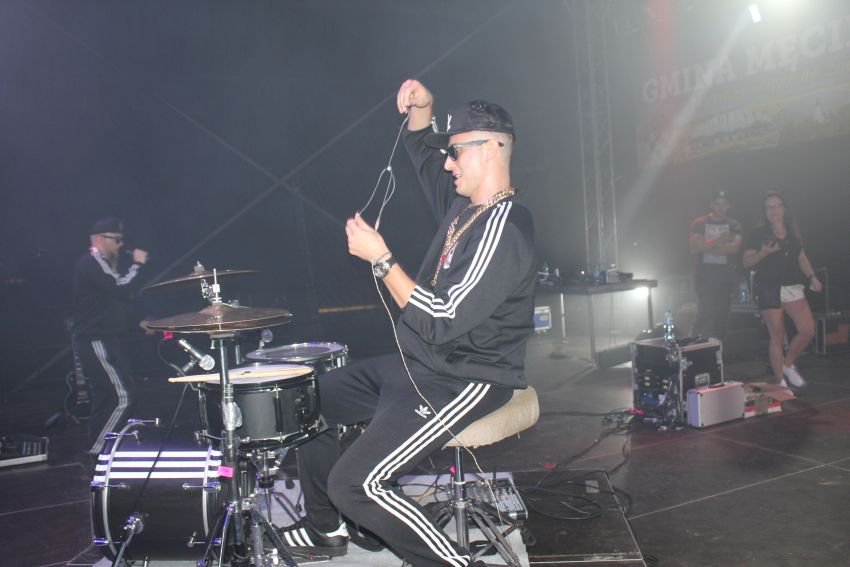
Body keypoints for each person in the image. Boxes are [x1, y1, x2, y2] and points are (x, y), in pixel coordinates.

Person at [276, 79, 536, 567]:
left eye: (456, 152)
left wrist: (382, 260)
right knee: (306, 401)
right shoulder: (464, 207)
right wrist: (425, 105)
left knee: (356, 483)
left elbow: (441, 318)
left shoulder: (505, 226)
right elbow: (422, 154)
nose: (448, 163)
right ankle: (328, 528)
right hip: (420, 364)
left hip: (468, 376)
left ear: (492, 149)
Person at [72, 217, 149, 462]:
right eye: (116, 240)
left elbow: (110, 302)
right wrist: (138, 265)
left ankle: (104, 450)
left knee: (106, 397)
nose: (120, 245)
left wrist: (137, 323)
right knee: (123, 396)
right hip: (96, 339)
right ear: (98, 239)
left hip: (106, 338)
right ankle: (96, 453)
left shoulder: (102, 264)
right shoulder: (91, 261)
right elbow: (120, 287)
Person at [742, 191, 822, 388]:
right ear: (764, 211)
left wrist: (812, 276)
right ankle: (780, 381)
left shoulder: (792, 233)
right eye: (769, 207)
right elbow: (746, 262)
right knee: (777, 336)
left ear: (784, 209)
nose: (773, 210)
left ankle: (787, 364)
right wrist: (763, 253)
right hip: (769, 287)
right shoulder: (757, 234)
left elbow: (801, 257)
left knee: (808, 330)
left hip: (792, 286)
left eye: (777, 205)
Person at [688, 191, 742, 342]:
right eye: (717, 204)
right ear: (711, 205)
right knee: (706, 314)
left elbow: (734, 248)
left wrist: (706, 246)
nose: (720, 208)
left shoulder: (734, 225)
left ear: (728, 206)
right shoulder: (700, 223)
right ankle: (696, 346)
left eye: (724, 204)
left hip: (725, 278)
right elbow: (694, 248)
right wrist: (720, 240)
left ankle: (718, 349)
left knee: (722, 316)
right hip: (704, 277)